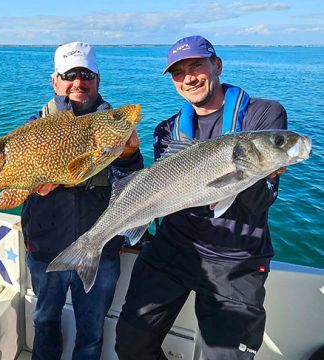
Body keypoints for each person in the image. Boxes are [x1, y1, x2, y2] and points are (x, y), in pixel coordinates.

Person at [115, 35, 287, 360]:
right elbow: (162, 190)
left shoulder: (263, 118)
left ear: (216, 65)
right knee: (130, 343)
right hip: (173, 249)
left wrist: (248, 172)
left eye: (196, 66)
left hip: (237, 261)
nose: (189, 78)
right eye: (179, 73)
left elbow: (258, 203)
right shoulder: (167, 131)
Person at [21, 42, 144, 360]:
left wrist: (129, 157)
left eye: (86, 74)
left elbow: (131, 190)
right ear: (55, 81)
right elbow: (21, 181)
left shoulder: (115, 126)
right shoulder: (36, 125)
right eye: (69, 74)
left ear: (98, 80)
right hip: (47, 250)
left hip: (100, 252)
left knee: (91, 331)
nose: (78, 82)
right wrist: (34, 184)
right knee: (44, 322)